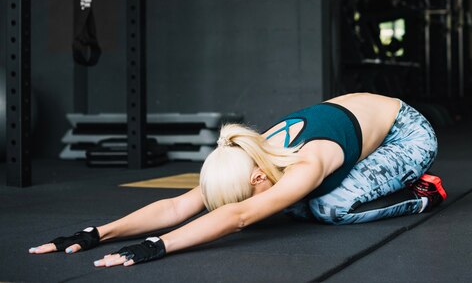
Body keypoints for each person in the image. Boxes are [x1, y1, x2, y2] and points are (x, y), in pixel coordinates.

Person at [28, 93, 447, 268]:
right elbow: (179, 206)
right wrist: (96, 233)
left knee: (326, 207)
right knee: (288, 204)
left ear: (259, 175)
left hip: (406, 133)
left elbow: (242, 215)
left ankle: (423, 191)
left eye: (249, 191)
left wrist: (154, 248)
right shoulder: (243, 153)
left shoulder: (306, 164)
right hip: (356, 128)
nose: (236, 203)